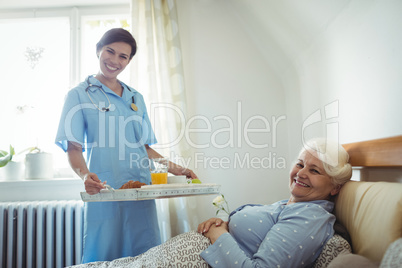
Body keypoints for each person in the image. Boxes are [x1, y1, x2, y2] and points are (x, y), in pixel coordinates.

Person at [68, 137, 352, 268]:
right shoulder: (291, 206)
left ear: (335, 187)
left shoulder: (309, 218)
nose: (301, 173)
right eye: (301, 164)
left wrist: (219, 234)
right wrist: (224, 227)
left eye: (314, 171)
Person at [55, 28, 197, 263]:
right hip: (105, 187)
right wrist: (84, 176)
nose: (114, 61)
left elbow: (145, 148)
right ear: (99, 50)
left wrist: (177, 169)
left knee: (144, 255)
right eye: (110, 52)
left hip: (140, 188)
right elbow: (74, 148)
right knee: (104, 254)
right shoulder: (79, 95)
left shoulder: (135, 98)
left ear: (129, 61)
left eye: (123, 56)